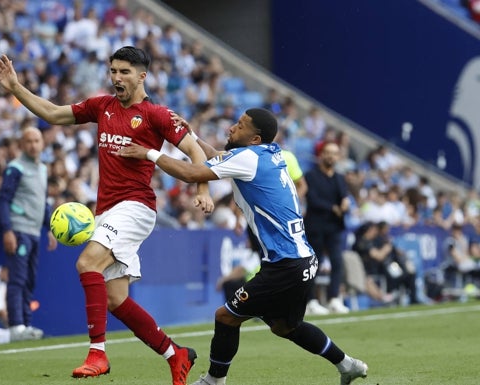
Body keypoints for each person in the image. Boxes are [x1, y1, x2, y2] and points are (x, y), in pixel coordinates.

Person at [0, 46, 214, 384]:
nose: (117, 78)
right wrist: (16, 88)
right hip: (107, 210)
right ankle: (175, 354)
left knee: (86, 263)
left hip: (136, 206)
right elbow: (53, 113)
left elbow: (195, 149)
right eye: (113, 71)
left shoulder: (156, 114)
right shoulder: (102, 106)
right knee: (116, 300)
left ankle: (98, 354)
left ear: (142, 76)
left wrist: (202, 188)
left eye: (124, 72)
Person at [116, 108, 368, 384]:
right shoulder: (267, 154)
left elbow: (190, 173)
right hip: (304, 260)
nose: (231, 128)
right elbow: (219, 158)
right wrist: (191, 136)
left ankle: (214, 381)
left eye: (240, 125)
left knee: (226, 316)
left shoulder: (248, 158)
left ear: (255, 138)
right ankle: (347, 365)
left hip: (285, 265)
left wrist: (149, 153)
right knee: (285, 327)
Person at [0, 126, 58, 342]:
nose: (33, 145)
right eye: (29, 141)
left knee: (30, 280)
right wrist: (8, 230)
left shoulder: (42, 169)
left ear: (42, 144)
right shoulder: (15, 168)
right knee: (18, 279)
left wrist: (49, 228)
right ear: (21, 145)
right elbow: (4, 200)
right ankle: (16, 326)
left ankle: (26, 325)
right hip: (19, 229)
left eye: (36, 141)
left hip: (34, 231)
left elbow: (41, 202)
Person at [303, 141, 351, 314]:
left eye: (334, 153)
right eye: (328, 152)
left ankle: (334, 298)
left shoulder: (339, 177)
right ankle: (311, 301)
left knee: (337, 263)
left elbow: (344, 196)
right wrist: (333, 208)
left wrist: (345, 203)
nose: (331, 156)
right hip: (315, 226)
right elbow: (312, 199)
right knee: (313, 264)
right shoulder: (311, 176)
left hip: (334, 226)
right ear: (321, 155)